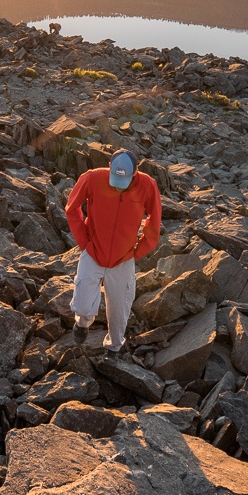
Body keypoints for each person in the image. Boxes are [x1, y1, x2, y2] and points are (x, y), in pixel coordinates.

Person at [64, 148, 162, 352]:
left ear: (135, 173)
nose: (118, 188)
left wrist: (138, 250)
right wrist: (84, 242)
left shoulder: (147, 185)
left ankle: (114, 348)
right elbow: (72, 209)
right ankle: (83, 324)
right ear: (109, 167)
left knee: (119, 313)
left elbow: (154, 220)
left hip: (124, 259)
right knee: (82, 306)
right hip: (93, 252)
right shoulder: (91, 178)